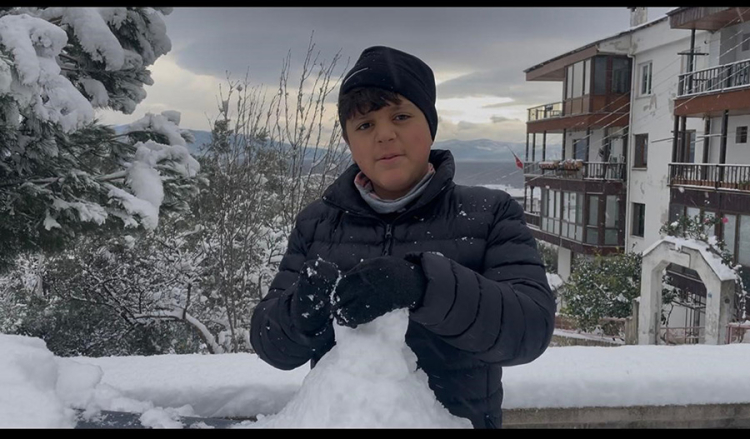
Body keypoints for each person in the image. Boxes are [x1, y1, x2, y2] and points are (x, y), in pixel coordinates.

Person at [250, 45, 556, 429]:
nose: (384, 135)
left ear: (430, 124)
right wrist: (301, 310)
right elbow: (271, 346)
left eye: (400, 116)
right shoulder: (317, 224)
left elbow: (529, 330)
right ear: (349, 141)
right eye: (365, 125)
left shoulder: (490, 213)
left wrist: (424, 285)